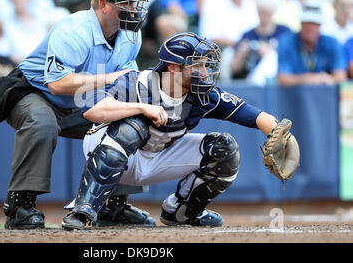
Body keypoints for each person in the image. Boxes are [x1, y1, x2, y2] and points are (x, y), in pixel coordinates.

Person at [61, 31, 287, 230]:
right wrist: (142, 108)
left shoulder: (203, 94)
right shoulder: (138, 82)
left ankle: (181, 212)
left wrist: (279, 133)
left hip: (155, 155)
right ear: (173, 67)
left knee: (224, 148)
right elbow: (92, 111)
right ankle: (83, 210)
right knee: (133, 126)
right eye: (197, 65)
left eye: (206, 64)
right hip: (107, 146)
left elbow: (253, 115)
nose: (205, 72)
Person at [0, 0, 153, 230]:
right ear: (103, 5)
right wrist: (109, 77)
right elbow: (57, 84)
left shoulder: (131, 36)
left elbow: (124, 83)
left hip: (82, 97)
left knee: (128, 123)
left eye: (137, 3)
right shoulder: (74, 29)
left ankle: (113, 204)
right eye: (127, 3)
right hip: (34, 91)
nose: (135, 10)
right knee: (42, 123)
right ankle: (20, 205)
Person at [277, 0, 347, 86]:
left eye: (314, 23)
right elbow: (282, 78)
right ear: (301, 23)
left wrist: (327, 79)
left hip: (324, 96)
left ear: (320, 25)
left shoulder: (332, 43)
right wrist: (308, 79)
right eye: (306, 22)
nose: (310, 27)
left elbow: (341, 77)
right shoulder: (287, 42)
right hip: (295, 98)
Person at [230, 0, 291, 85]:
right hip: (250, 81)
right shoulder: (248, 35)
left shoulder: (285, 33)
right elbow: (235, 68)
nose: (264, 16)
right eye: (261, 12)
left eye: (268, 12)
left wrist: (272, 51)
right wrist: (244, 52)